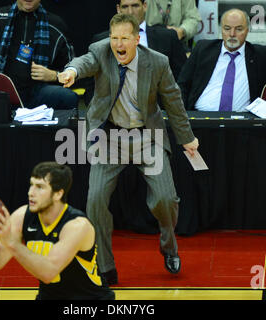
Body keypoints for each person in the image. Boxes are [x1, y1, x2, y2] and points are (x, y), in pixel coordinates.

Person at [58, 13, 199, 285]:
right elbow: (84, 63)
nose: (118, 44)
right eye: (114, 38)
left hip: (147, 137)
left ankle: (169, 247)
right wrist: (72, 71)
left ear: (136, 39)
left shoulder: (157, 62)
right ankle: (105, 265)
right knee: (95, 200)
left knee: (165, 200)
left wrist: (187, 138)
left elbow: (174, 102)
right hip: (109, 137)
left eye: (124, 38)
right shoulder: (101, 52)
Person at [0, 162, 115, 300]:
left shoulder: (77, 226)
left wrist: (13, 244)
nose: (30, 193)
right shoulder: (22, 216)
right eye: (31, 185)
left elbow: (48, 273)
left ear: (58, 194)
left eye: (39, 187)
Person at [0, 0, 78, 110]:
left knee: (68, 97)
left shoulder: (56, 24)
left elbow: (72, 67)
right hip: (0, 89)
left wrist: (54, 75)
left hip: (38, 92)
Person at [177, 8, 266, 111]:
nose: (232, 34)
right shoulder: (203, 49)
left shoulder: (261, 55)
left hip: (241, 125)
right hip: (200, 119)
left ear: (247, 30)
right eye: (227, 28)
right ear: (221, 30)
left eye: (239, 29)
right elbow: (183, 84)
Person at [82, 0, 187, 106]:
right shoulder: (101, 41)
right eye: (125, 7)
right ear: (118, 9)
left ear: (145, 6)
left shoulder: (167, 38)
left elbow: (183, 79)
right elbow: (92, 85)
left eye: (135, 6)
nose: (130, 11)